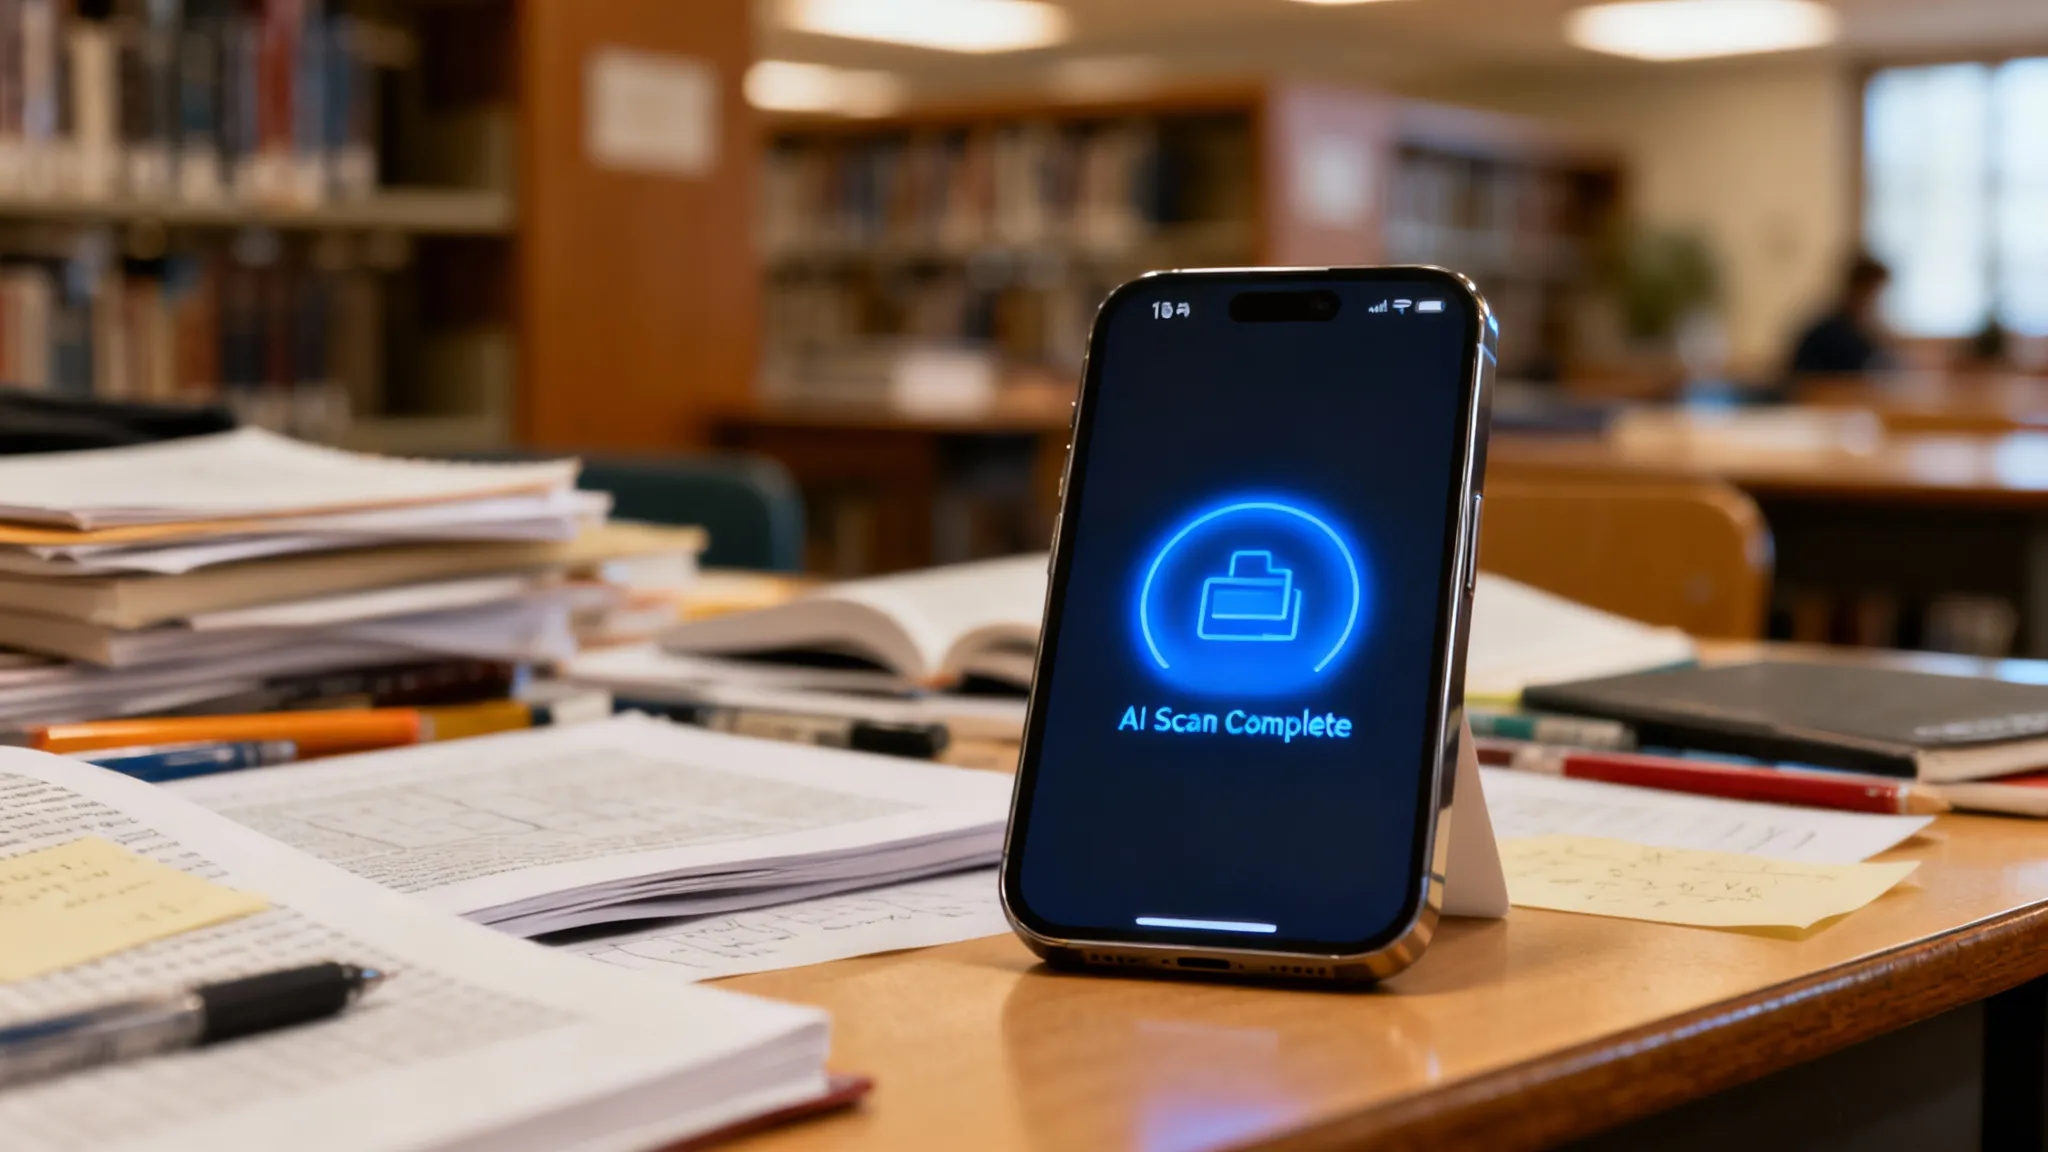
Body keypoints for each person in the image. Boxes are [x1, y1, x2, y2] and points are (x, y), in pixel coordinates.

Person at [1787, 253, 1896, 377]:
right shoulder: (1830, 335)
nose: (1877, 304)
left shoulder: (1865, 334)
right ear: (1857, 290)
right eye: (1874, 295)